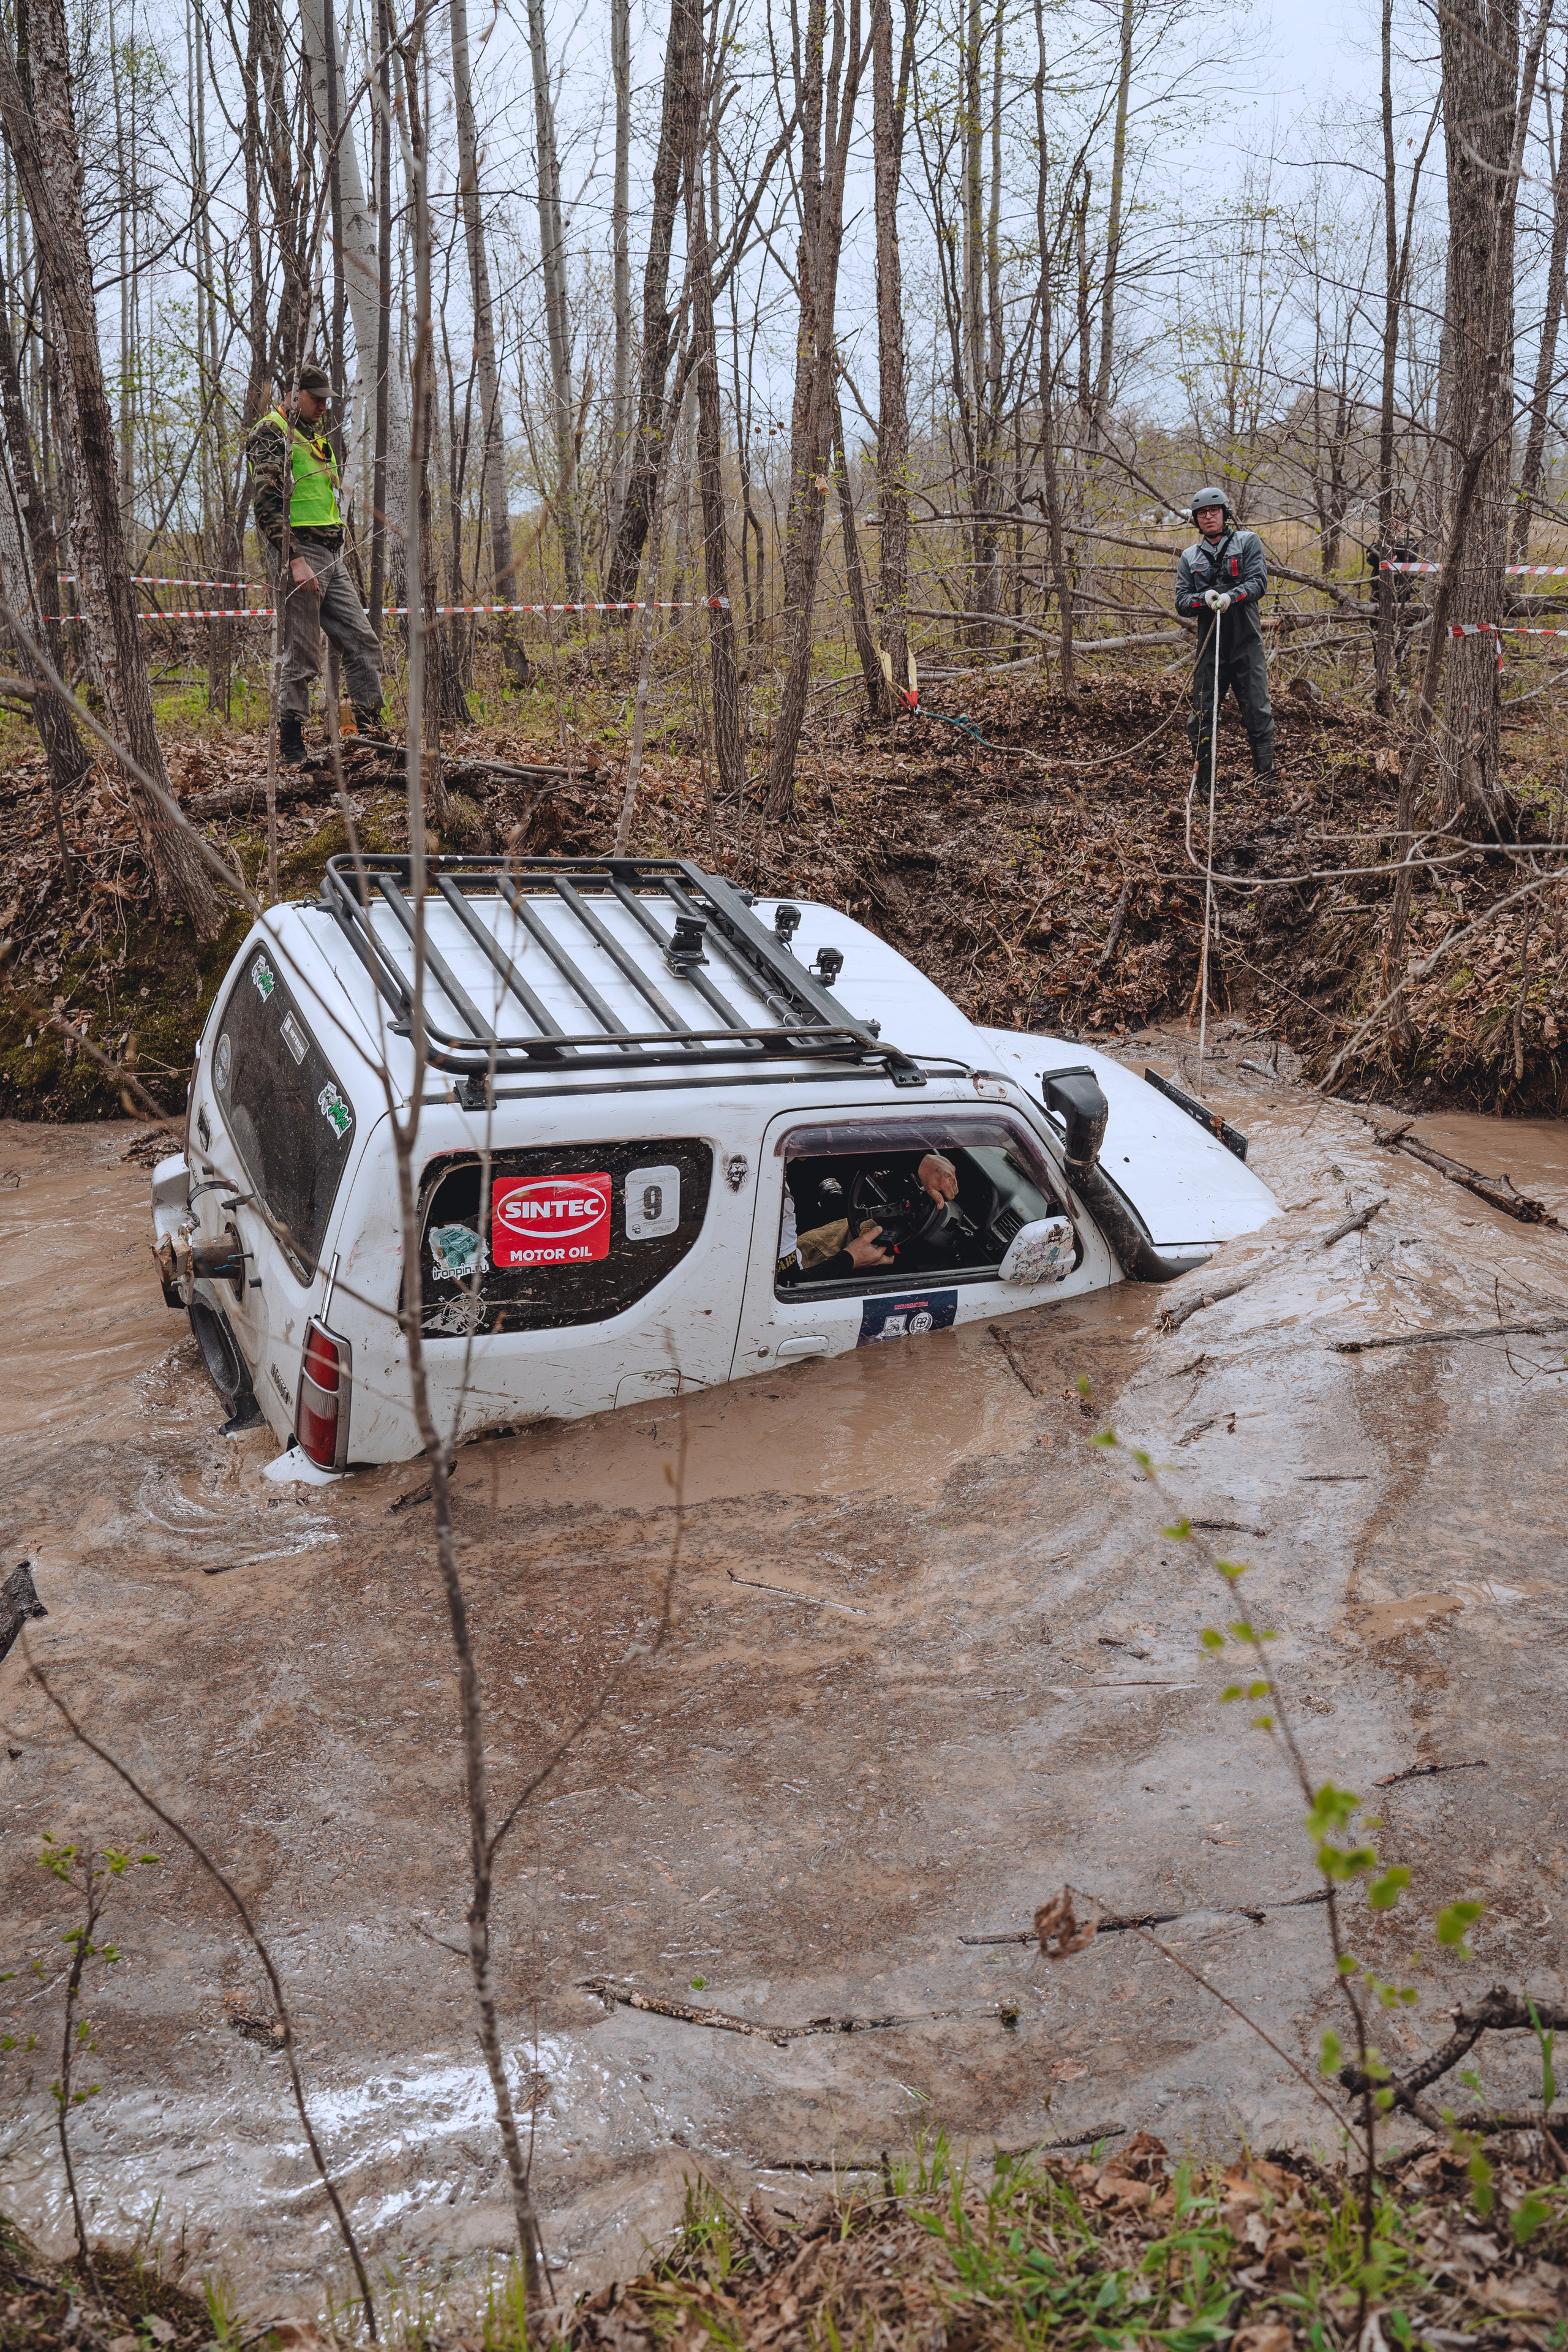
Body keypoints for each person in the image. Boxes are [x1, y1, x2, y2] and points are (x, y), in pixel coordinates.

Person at [247, 363, 386, 766]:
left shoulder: (313, 437)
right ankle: (292, 747)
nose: (324, 406)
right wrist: (294, 559)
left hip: (330, 552)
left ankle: (370, 735)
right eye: (317, 398)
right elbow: (266, 503)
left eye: (327, 399)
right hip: (299, 552)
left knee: (363, 641)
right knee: (303, 653)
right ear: (294, 395)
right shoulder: (271, 431)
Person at [1175, 485, 1275, 782]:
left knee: (1257, 711)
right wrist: (1203, 598)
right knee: (1202, 714)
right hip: (1210, 648)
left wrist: (1233, 596)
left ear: (1225, 513)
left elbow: (1258, 583)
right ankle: (1204, 782)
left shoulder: (1248, 541)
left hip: (1246, 643)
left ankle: (1266, 780)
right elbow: (1182, 602)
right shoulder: (1189, 556)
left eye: (1214, 511)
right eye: (1202, 513)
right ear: (1196, 519)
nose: (1209, 517)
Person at [777, 1152, 959, 1284]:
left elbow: (835, 1145)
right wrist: (850, 1260)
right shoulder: (779, 1201)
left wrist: (918, 1161)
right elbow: (788, 1284)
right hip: (789, 1277)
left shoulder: (771, 1156)